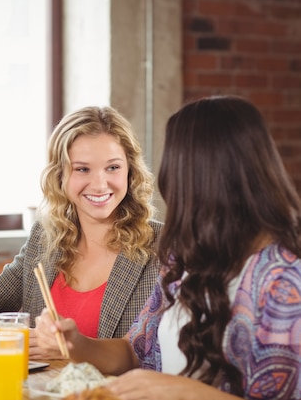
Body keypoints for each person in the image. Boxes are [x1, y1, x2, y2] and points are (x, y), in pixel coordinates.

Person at [36, 95, 301, 399]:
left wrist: (186, 391)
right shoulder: (186, 256)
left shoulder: (283, 278)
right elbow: (133, 351)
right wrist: (77, 344)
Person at [0, 105, 162, 359]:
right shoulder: (44, 237)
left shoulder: (163, 246)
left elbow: (159, 356)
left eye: (113, 168)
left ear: (130, 171)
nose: (99, 184)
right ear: (60, 175)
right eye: (82, 169)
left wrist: (72, 350)